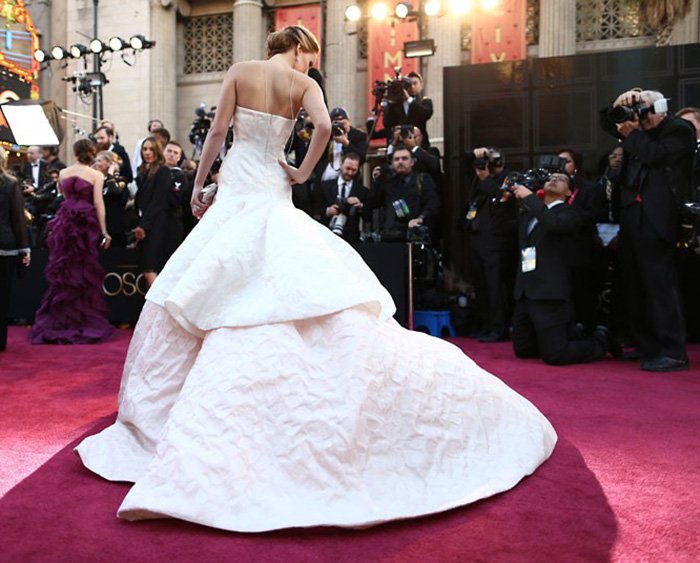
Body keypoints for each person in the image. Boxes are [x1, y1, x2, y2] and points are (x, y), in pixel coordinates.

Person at [75, 25, 556, 533]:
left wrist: (200, 186)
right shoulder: (302, 87)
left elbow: (217, 134)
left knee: (213, 287)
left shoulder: (240, 72)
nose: (310, 66)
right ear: (297, 47)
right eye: (310, 57)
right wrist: (301, 171)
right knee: (284, 282)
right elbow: (324, 129)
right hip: (271, 190)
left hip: (237, 188)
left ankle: (181, 423)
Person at [602, 89, 695, 371]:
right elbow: (609, 124)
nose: (641, 116)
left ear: (661, 108)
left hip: (658, 217)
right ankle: (646, 345)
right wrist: (619, 102)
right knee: (634, 285)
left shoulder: (679, 129)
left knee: (659, 285)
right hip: (631, 216)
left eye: (645, 109)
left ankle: (673, 351)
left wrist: (633, 133)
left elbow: (655, 156)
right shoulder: (634, 132)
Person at [29, 139, 115, 344]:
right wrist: (104, 231)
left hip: (65, 224)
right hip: (85, 225)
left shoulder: (64, 173)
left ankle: (61, 319)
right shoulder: (96, 175)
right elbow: (97, 203)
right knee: (83, 271)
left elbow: (65, 197)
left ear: (75, 152)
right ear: (92, 153)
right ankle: (81, 319)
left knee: (64, 270)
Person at [463, 147, 516, 342]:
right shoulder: (478, 179)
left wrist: (486, 177)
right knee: (481, 285)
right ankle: (486, 323)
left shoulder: (509, 178)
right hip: (477, 239)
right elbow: (464, 164)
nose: (489, 164)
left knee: (496, 287)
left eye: (493, 159)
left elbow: (499, 194)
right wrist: (475, 156)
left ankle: (498, 326)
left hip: (496, 242)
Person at [133, 137, 183, 287]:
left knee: (151, 270)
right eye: (145, 149)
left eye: (151, 149)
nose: (148, 152)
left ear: (158, 151)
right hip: (149, 225)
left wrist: (143, 226)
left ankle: (155, 308)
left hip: (157, 227)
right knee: (148, 270)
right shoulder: (146, 171)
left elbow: (158, 201)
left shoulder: (162, 171)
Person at [0, 147, 30, 351]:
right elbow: (18, 218)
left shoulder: (10, 184)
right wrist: (24, 248)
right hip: (6, 245)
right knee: (2, 295)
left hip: (5, 245)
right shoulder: (10, 184)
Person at [317, 152, 371, 242]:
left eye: (354, 170)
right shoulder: (325, 186)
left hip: (352, 239)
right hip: (327, 236)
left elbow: (368, 217)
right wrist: (328, 211)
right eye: (347, 168)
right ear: (341, 165)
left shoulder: (362, 191)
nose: (350, 173)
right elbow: (314, 210)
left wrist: (360, 206)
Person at [383, 71, 433, 148]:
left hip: (420, 145)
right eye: (409, 85)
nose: (412, 87)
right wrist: (391, 102)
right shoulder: (395, 104)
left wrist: (409, 100)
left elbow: (426, 114)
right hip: (399, 145)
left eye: (415, 83)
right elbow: (387, 124)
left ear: (421, 85)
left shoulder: (425, 101)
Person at [93, 150, 130, 248]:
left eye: (99, 161)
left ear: (110, 163)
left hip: (114, 226)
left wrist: (110, 173)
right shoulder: (95, 181)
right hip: (97, 225)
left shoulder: (120, 180)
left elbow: (114, 192)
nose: (96, 164)